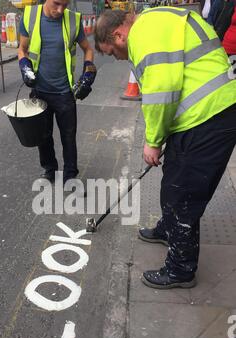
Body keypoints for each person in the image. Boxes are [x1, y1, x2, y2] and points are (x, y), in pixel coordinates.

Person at [94, 7, 236, 289]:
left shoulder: (143, 34)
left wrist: (153, 142)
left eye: (112, 52)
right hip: (209, 111)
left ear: (118, 35)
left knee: (181, 193)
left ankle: (181, 270)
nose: (118, 58)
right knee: (175, 177)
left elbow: (161, 91)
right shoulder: (155, 20)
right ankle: (168, 230)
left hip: (209, 114)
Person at [18, 0, 96, 184]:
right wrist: (24, 65)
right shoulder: (30, 16)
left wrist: (89, 71)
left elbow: (88, 49)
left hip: (64, 93)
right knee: (43, 137)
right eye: (56, 3)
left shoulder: (73, 20)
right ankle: (50, 169)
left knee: (68, 137)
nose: (60, 10)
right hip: (40, 92)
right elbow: (22, 49)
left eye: (65, 5)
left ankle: (70, 175)